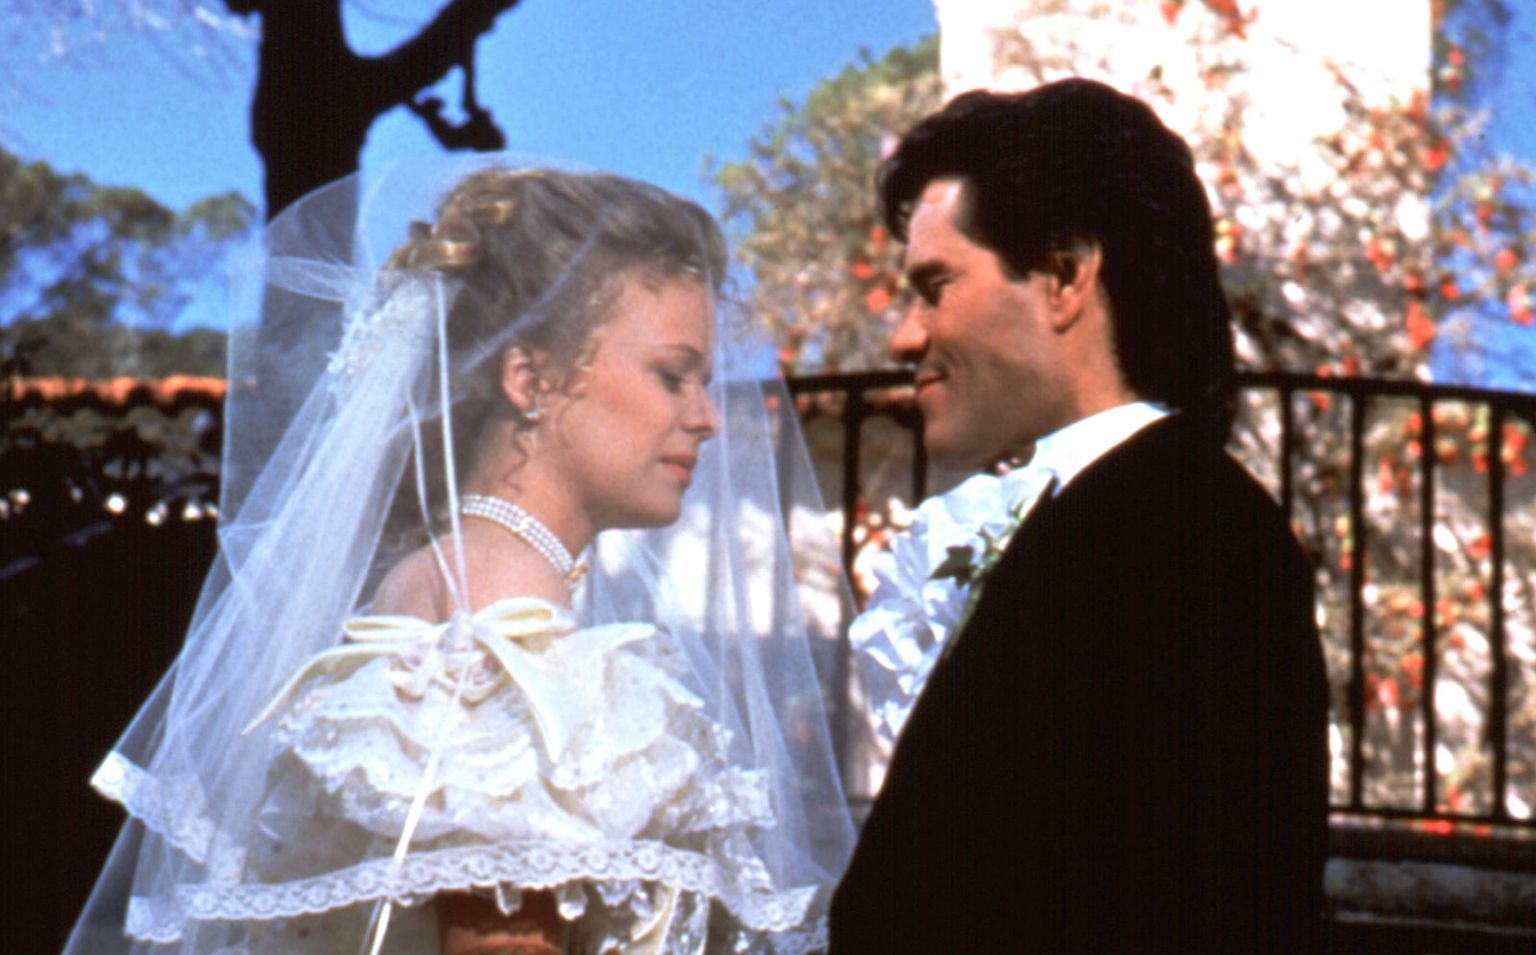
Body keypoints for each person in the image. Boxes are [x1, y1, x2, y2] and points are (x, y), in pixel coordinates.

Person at [65, 161, 854, 954]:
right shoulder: (499, 615)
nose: (707, 418)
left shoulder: (448, 580)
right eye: (672, 376)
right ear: (530, 378)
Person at [830, 79, 1328, 953]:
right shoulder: (1118, 517)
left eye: (936, 286)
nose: (904, 337)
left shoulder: (1189, 535)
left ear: (1064, 277)